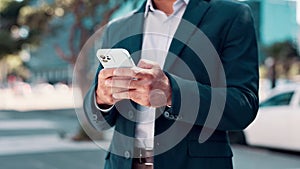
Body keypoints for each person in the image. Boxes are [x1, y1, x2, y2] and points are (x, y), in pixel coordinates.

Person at [83, 0, 259, 169]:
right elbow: (97, 120)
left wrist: (171, 93)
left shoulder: (231, 16)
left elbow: (243, 106)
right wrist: (101, 98)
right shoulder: (117, 28)